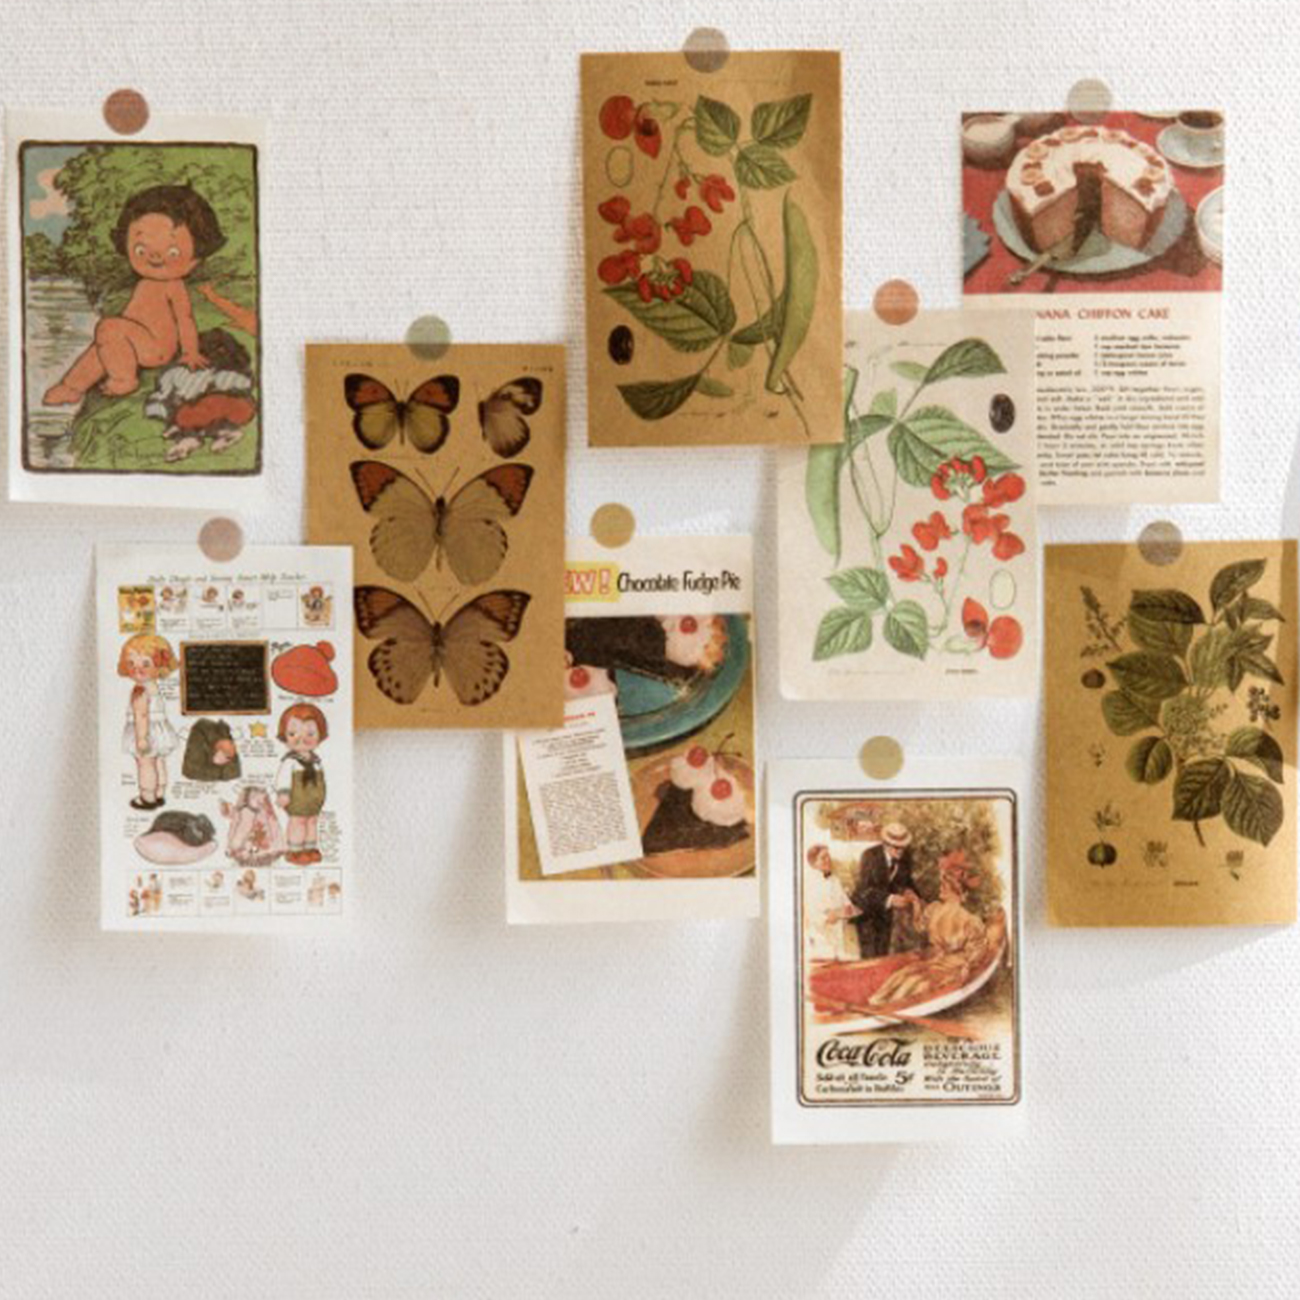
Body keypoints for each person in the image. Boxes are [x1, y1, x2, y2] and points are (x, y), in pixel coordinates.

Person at [44, 184, 226, 404]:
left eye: (172, 252)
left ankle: (124, 379)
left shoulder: (173, 286)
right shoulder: (144, 283)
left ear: (195, 259)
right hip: (134, 342)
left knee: (108, 328)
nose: (155, 257)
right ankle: (72, 387)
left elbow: (184, 318)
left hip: (156, 349)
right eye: (141, 249)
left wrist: (190, 352)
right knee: (99, 348)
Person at [869, 851, 1006, 1009]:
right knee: (903, 974)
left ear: (956, 891)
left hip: (954, 966)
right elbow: (920, 926)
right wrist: (915, 903)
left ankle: (888, 1008)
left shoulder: (969, 920)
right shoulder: (935, 908)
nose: (940, 888)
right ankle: (875, 1003)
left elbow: (978, 949)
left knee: (916, 981)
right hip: (938, 960)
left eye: (944, 886)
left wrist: (967, 967)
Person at [118, 633, 179, 810]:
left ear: (158, 666)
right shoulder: (153, 686)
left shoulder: (139, 690)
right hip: (159, 730)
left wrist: (141, 739)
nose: (137, 669)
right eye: (131, 663)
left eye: (145, 664)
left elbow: (142, 716)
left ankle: (147, 797)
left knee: (145, 764)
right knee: (158, 761)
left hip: (144, 731)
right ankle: (159, 792)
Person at [850, 822, 921, 958]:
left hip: (885, 916)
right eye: (896, 847)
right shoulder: (870, 856)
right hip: (866, 913)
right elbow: (865, 889)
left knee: (883, 954)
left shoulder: (904, 857)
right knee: (870, 957)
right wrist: (891, 899)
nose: (900, 851)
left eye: (903, 847)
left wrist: (913, 895)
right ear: (886, 845)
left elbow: (907, 881)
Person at [275, 703, 328, 865]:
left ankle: (310, 848)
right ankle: (295, 850)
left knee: (312, 822)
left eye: (310, 733)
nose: (302, 738)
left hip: (313, 801)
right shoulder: (290, 761)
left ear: (320, 735)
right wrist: (283, 793)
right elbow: (282, 779)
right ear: (284, 736)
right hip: (297, 800)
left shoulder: (316, 761)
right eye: (292, 733)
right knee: (298, 822)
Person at [804, 845, 859, 962]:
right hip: (821, 940)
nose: (828, 860)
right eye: (823, 858)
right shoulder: (809, 883)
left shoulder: (835, 880)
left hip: (839, 938)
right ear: (814, 863)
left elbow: (847, 904)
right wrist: (831, 915)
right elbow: (813, 914)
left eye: (828, 856)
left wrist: (848, 910)